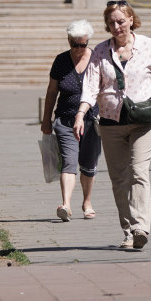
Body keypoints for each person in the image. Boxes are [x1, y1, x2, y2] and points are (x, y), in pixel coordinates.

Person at [75, 0, 151, 250]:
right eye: (112, 22)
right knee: (118, 178)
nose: (116, 26)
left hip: (143, 121)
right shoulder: (100, 52)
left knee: (138, 172)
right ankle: (127, 231)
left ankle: (140, 228)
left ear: (131, 20)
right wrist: (81, 114)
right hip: (111, 122)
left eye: (121, 21)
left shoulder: (149, 46)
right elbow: (90, 88)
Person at [40, 20, 102, 221]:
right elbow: (51, 92)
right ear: (68, 41)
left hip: (92, 120)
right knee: (68, 162)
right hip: (65, 120)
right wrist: (46, 120)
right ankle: (66, 204)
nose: (78, 49)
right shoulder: (60, 61)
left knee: (88, 163)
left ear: (88, 42)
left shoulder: (97, 59)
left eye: (82, 45)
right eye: (74, 44)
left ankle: (87, 202)